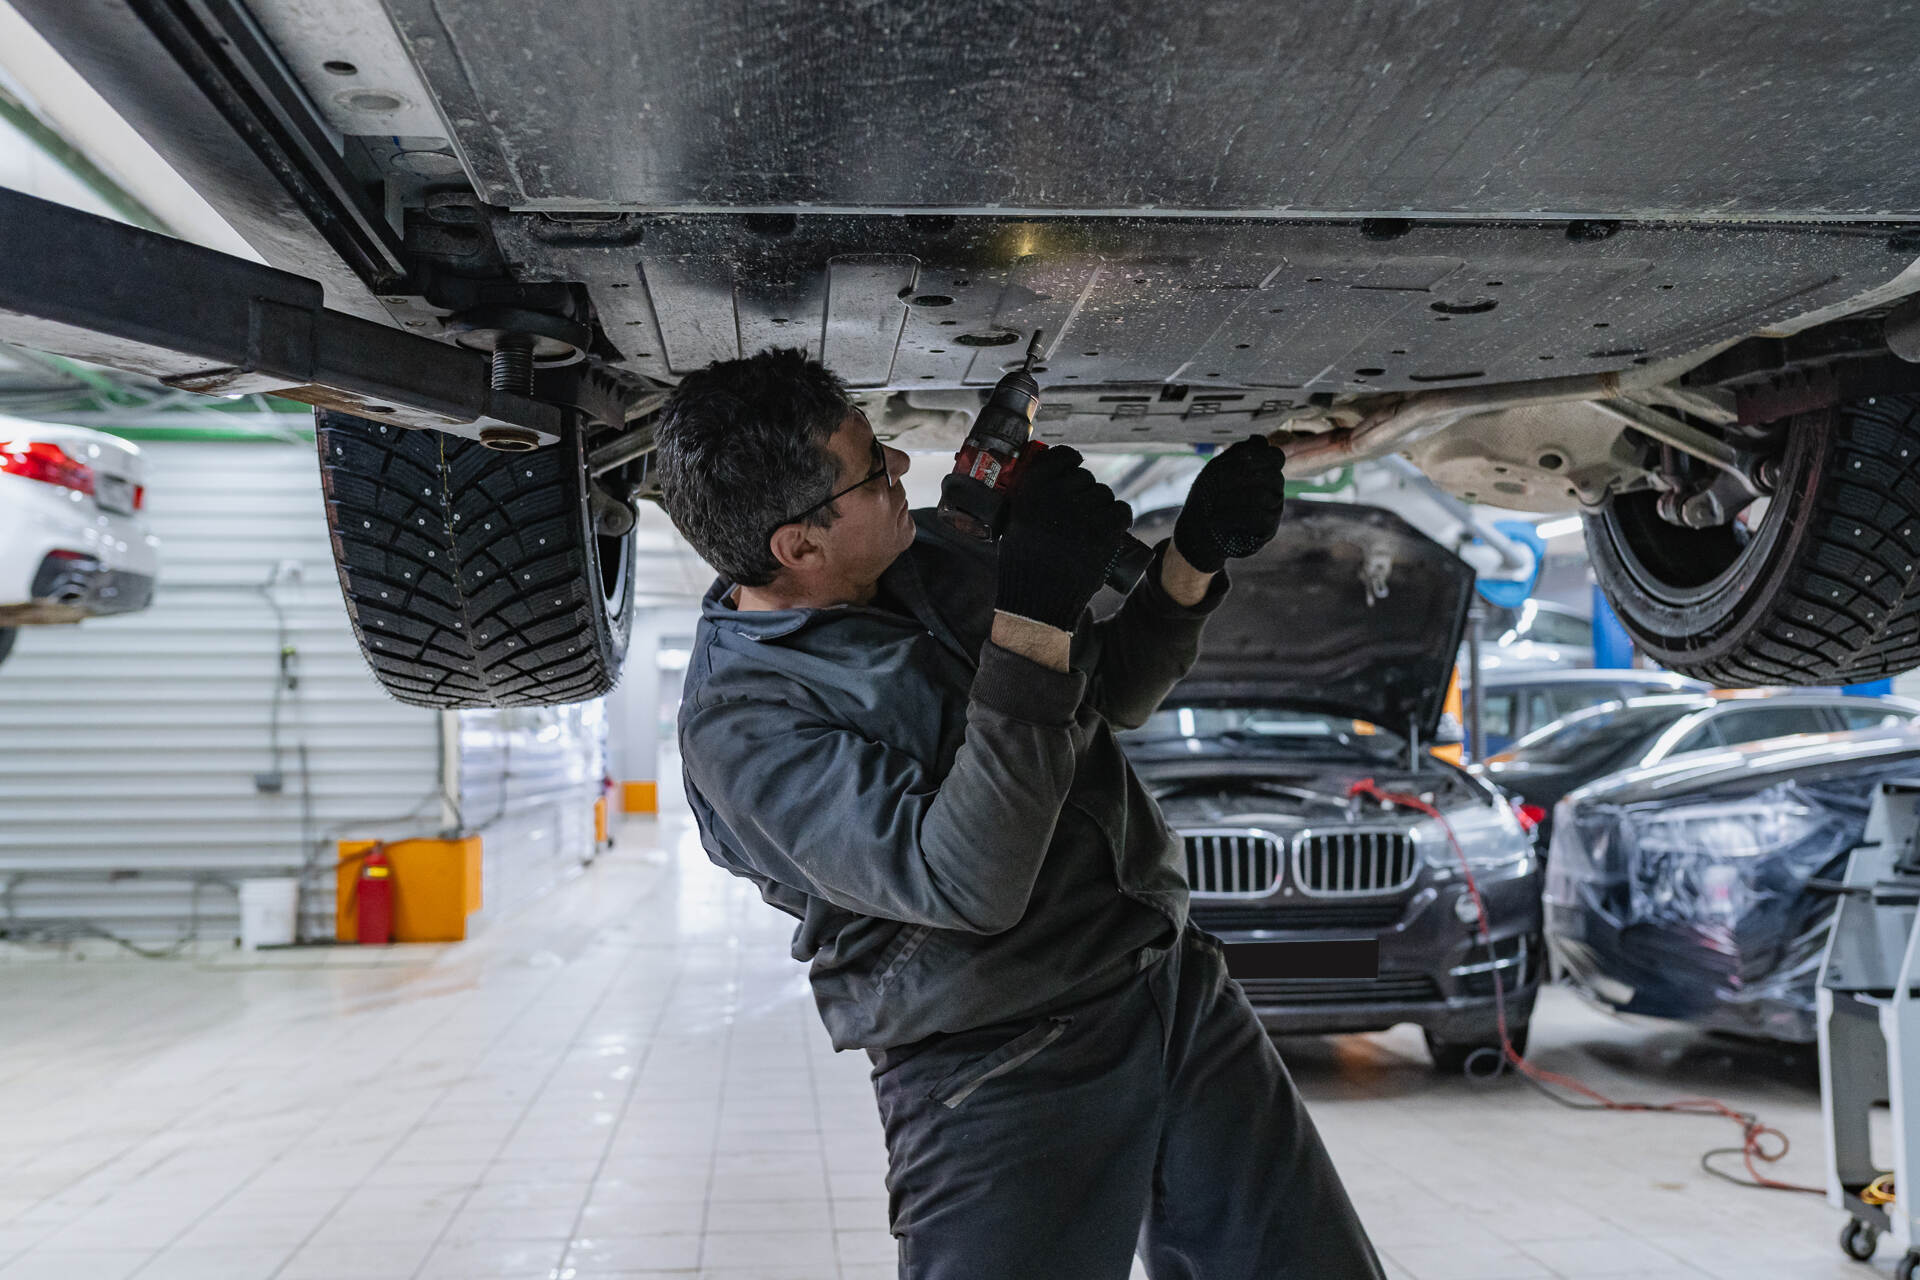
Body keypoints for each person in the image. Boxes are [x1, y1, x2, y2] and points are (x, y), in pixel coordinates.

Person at [654, 347, 1381, 1280]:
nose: (902, 468)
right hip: (999, 1054)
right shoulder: (744, 723)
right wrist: (1031, 613)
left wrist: (1192, 559)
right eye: (874, 471)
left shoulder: (927, 556)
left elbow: (1107, 695)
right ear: (799, 546)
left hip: (1166, 979)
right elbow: (968, 881)